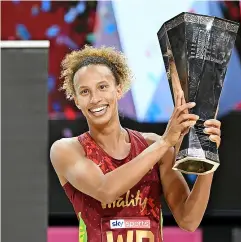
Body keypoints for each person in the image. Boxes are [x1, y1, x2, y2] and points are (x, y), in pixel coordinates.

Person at [50, 45, 222, 242]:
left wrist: (208, 157)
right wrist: (165, 141)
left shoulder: (154, 146)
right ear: (76, 100)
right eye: (85, 91)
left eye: (102, 87)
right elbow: (105, 191)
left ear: (119, 90)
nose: (95, 98)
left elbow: (188, 220)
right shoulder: (67, 150)